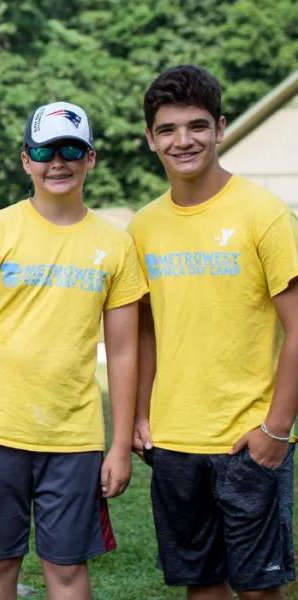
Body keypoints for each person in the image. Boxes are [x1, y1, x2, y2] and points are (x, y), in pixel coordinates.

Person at [0, 101, 145, 600]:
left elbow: (124, 354)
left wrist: (119, 446)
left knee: (67, 569)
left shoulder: (115, 244)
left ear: (91, 158)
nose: (57, 162)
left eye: (71, 150)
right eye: (44, 151)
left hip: (74, 438)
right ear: (25, 161)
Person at [130, 65, 298, 599]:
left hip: (247, 439)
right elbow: (145, 333)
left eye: (197, 126)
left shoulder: (264, 214)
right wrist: (139, 415)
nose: (184, 141)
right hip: (173, 440)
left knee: (258, 591)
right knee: (201, 588)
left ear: (221, 128)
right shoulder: (143, 227)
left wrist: (274, 432)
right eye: (168, 130)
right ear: (151, 140)